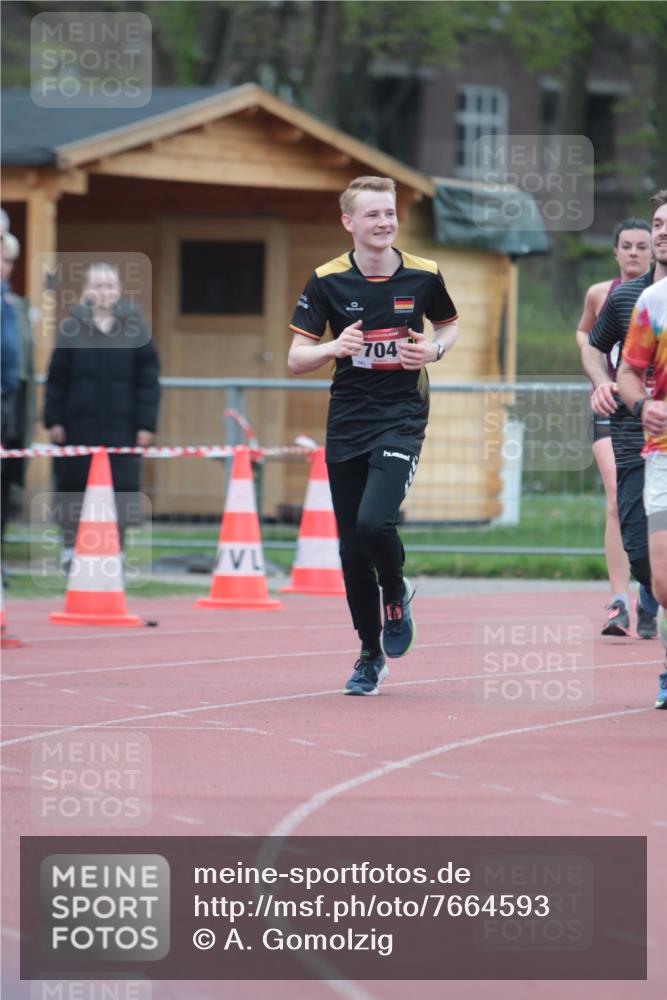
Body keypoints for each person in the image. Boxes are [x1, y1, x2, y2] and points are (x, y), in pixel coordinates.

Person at [287, 176, 459, 696]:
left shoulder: (424, 275)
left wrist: (434, 350)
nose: (384, 223)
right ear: (349, 223)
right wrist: (334, 346)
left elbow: (448, 326)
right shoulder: (326, 280)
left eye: (390, 214)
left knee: (373, 522)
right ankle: (368, 653)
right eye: (373, 215)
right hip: (348, 419)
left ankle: (396, 590)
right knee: (349, 549)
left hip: (402, 415)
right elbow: (297, 358)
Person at [582, 191, 667, 641]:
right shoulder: (625, 299)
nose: (663, 231)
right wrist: (604, 384)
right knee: (640, 553)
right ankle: (648, 591)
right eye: (657, 224)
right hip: (635, 431)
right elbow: (595, 347)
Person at [44, 263, 160, 570]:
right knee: (73, 486)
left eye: (109, 286)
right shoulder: (72, 327)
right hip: (77, 425)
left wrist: (146, 424)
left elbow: (149, 379)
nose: (104, 292)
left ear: (119, 290)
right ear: (87, 291)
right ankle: (70, 549)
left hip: (122, 427)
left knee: (120, 487)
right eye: (97, 286)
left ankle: (116, 551)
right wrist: (53, 418)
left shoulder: (136, 328)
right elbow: (57, 377)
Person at [617, 275, 667, 707]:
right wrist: (644, 405)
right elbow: (629, 370)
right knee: (663, 581)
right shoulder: (654, 301)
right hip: (664, 454)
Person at [1, 231, 35, 577]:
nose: (5, 267)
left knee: (6, 484)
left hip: (14, 406)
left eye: (9, 261)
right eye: (1, 259)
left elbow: (25, 361)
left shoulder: (17, 305)